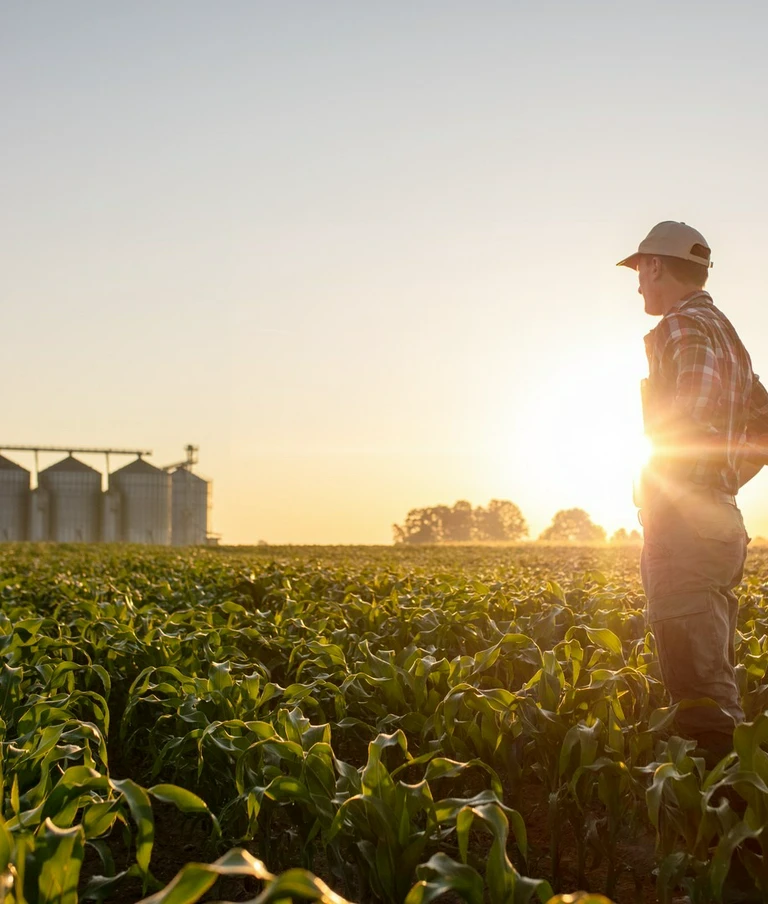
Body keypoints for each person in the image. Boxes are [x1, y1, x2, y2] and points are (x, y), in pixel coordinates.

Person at [617, 221, 768, 768]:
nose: (637, 285)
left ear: (656, 265)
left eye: (638, 271)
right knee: (711, 669)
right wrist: (720, 484)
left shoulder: (682, 325)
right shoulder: (726, 332)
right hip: (721, 521)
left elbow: (692, 406)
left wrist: (668, 485)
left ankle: (730, 832)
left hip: (688, 524)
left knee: (700, 696)